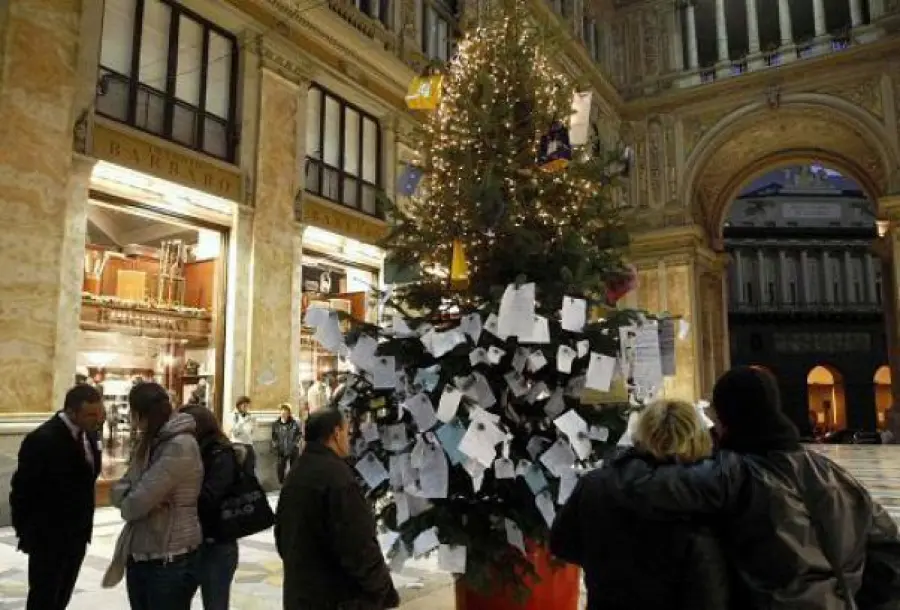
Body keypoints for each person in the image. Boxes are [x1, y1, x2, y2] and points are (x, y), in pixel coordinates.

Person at [617, 366, 900, 610]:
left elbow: (644, 487)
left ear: (728, 418)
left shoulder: (734, 474)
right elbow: (886, 547)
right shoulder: (833, 473)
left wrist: (636, 449)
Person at [551, 399, 729, 610]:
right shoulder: (699, 496)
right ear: (697, 439)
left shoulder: (595, 484)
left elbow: (562, 543)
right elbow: (707, 585)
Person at [275, 409, 400, 610]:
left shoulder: (296, 472)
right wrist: (383, 589)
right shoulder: (338, 478)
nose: (349, 439)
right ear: (336, 433)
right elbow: (357, 544)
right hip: (337, 596)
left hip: (300, 592)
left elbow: (281, 535)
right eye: (347, 432)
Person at [10, 385, 105, 610]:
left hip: (78, 534)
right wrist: (26, 534)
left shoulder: (90, 435)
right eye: (90, 414)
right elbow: (22, 491)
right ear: (71, 412)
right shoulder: (42, 439)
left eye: (98, 413)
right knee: (44, 598)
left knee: (63, 595)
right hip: (48, 537)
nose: (97, 420)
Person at [111, 382, 204, 610]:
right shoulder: (150, 443)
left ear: (141, 414)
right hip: (143, 553)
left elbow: (133, 505)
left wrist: (133, 496)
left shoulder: (180, 446)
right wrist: (134, 495)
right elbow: (118, 491)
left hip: (169, 558)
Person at [182, 405, 250, 610]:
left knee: (215, 603)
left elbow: (210, 497)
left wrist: (177, 496)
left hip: (216, 543)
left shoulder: (221, 454)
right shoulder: (191, 452)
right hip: (189, 542)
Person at [272, 403, 303, 484]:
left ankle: (292, 484)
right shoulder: (276, 424)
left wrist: (295, 443)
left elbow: (299, 434)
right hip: (281, 450)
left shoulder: (294, 423)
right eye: (282, 411)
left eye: (285, 411)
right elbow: (274, 437)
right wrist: (276, 446)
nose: (283, 413)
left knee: (294, 468)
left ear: (289, 413)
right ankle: (282, 484)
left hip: (293, 449)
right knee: (280, 469)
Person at [231, 395, 256, 474]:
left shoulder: (250, 416)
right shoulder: (234, 416)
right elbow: (235, 432)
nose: (246, 408)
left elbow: (252, 432)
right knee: (238, 469)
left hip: (248, 444)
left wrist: (253, 424)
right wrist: (243, 422)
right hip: (238, 444)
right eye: (244, 406)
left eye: (247, 406)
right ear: (239, 405)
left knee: (250, 468)